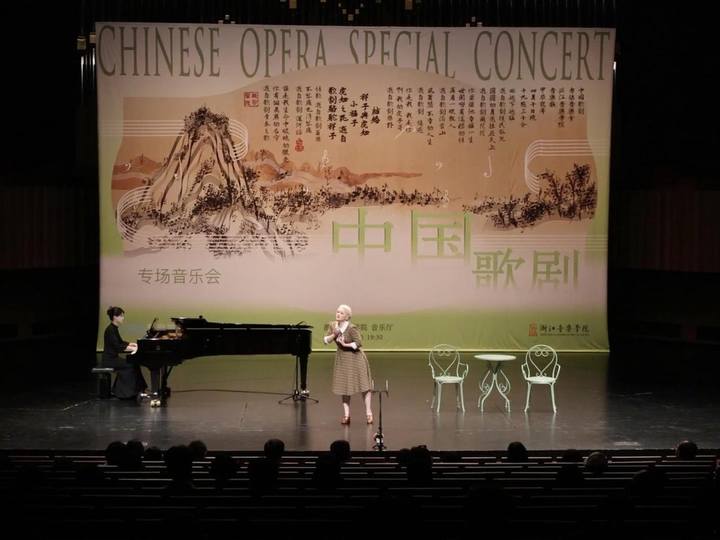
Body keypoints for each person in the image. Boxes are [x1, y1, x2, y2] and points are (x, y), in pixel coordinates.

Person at [323, 304, 373, 425]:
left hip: (356, 358)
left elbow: (359, 343)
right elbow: (326, 340)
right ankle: (346, 415)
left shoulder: (351, 328)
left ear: (347, 317)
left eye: (341, 313)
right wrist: (334, 334)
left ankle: (368, 412)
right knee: (344, 387)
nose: (338, 314)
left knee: (364, 386)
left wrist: (345, 344)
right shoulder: (333, 325)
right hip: (343, 359)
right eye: (337, 312)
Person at [102, 306, 147, 399]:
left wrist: (132, 344)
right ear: (115, 317)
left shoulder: (113, 328)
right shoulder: (110, 330)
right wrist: (132, 348)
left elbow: (120, 342)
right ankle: (126, 392)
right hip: (109, 360)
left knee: (134, 363)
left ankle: (139, 389)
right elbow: (118, 347)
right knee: (130, 365)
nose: (123, 318)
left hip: (113, 358)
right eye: (121, 316)